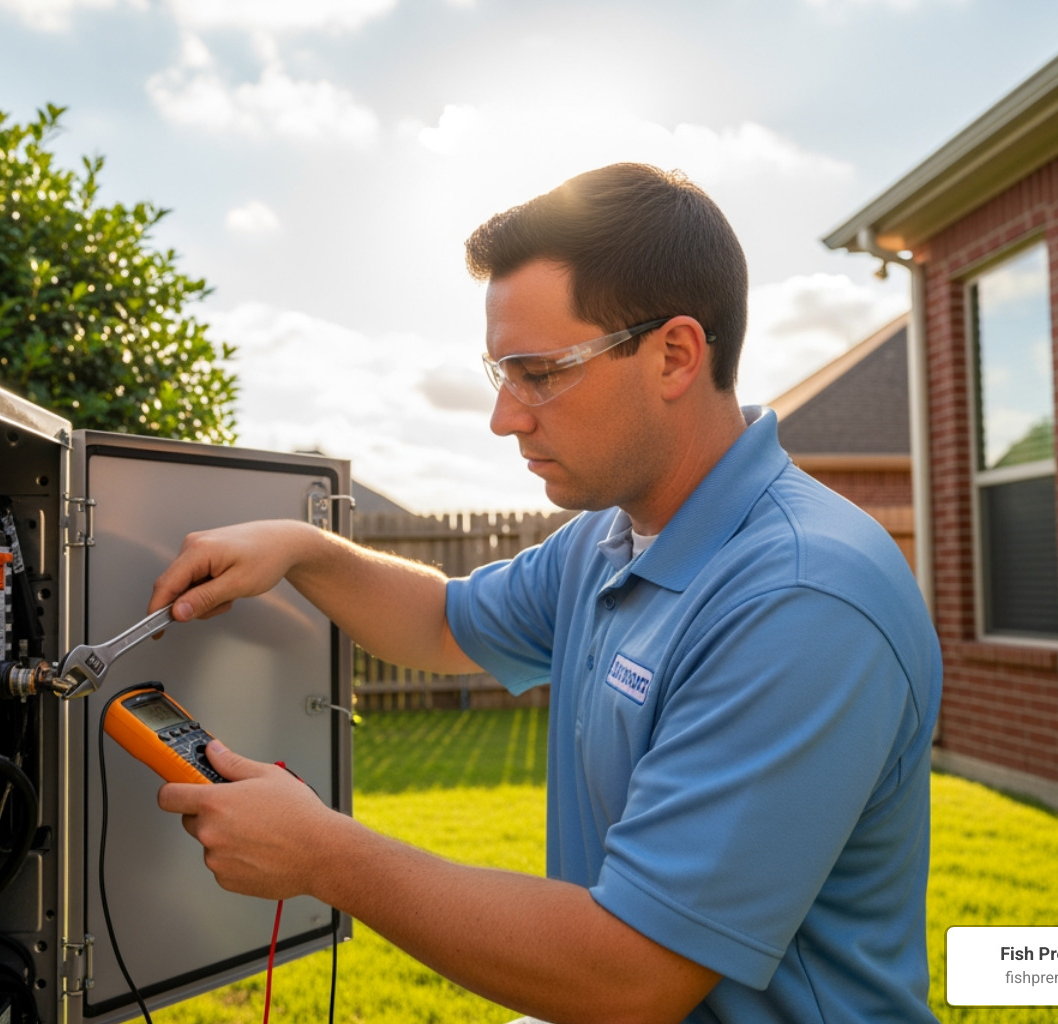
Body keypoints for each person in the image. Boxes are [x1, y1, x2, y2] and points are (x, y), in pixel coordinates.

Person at [150, 163, 942, 1024]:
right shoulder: (605, 545)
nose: (505, 417)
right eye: (501, 374)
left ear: (675, 354)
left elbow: (630, 977)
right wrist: (302, 548)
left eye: (539, 371)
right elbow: (444, 623)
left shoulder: (802, 601)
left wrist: (325, 856)